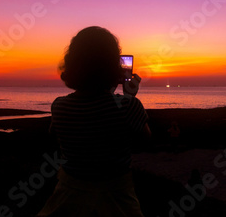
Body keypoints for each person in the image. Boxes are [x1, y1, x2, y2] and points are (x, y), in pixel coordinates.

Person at [37, 26, 151, 217]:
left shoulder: (60, 106)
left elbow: (53, 134)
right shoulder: (128, 106)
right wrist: (128, 98)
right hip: (117, 199)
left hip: (68, 197)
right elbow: (145, 139)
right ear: (114, 68)